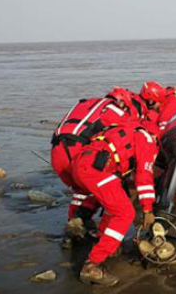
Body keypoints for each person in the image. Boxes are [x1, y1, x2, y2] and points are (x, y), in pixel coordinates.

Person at [72, 121, 159, 286]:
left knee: (114, 206)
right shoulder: (147, 139)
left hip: (82, 164)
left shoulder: (125, 130)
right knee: (125, 213)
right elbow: (144, 175)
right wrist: (148, 209)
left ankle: (103, 241)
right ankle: (92, 265)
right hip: (94, 169)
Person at [50, 89, 132, 222]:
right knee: (91, 184)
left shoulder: (86, 104)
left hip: (56, 150)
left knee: (80, 188)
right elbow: (129, 130)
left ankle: (74, 221)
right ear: (121, 102)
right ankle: (82, 221)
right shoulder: (115, 110)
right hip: (75, 149)